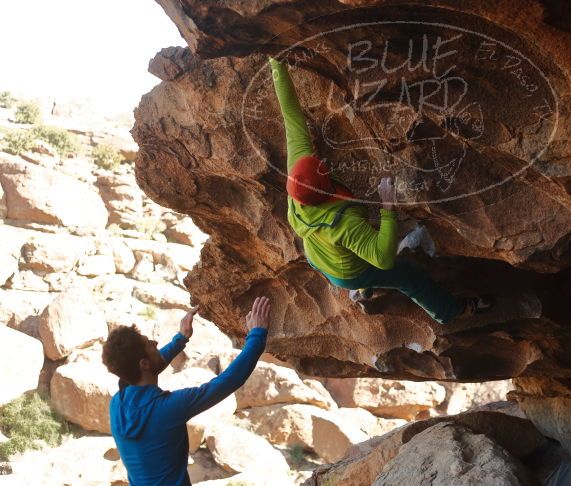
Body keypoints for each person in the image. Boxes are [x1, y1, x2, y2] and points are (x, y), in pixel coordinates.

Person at [269, 56, 491, 324]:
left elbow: (289, 114)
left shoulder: (298, 175)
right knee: (410, 276)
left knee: (351, 252)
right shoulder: (345, 223)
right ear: (325, 189)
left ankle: (365, 290)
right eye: (323, 169)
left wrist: (276, 61)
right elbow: (382, 258)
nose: (323, 162)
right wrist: (388, 208)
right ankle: (451, 310)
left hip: (318, 256)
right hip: (347, 272)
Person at [101, 297, 271, 485]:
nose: (156, 342)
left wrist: (180, 339)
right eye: (149, 344)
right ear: (144, 364)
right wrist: (257, 334)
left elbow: (148, 369)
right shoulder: (167, 409)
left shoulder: (118, 403)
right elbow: (227, 382)